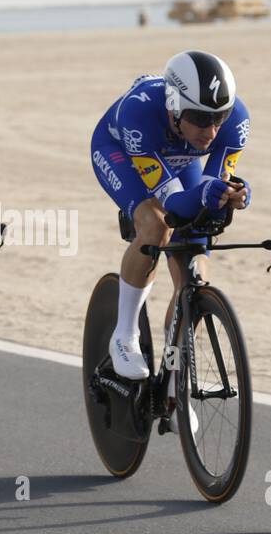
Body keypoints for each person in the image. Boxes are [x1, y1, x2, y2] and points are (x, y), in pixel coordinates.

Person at [90, 51, 252, 435]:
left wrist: (234, 193)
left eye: (218, 118)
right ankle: (124, 335)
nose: (210, 131)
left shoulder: (236, 120)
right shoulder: (139, 113)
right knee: (157, 223)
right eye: (199, 118)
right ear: (175, 107)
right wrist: (207, 193)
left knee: (196, 266)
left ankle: (174, 384)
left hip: (179, 159)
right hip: (121, 152)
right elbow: (174, 202)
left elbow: (213, 188)